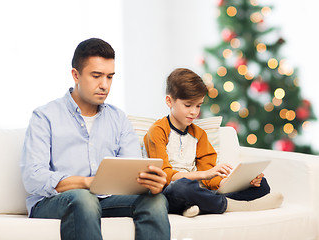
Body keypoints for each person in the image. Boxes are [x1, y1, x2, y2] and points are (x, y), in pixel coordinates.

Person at [20, 38, 170, 240]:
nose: (104, 85)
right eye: (96, 76)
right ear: (76, 75)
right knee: (84, 198)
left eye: (110, 77)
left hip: (104, 200)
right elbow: (33, 177)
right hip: (53, 202)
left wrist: (151, 182)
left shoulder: (119, 119)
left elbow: (132, 171)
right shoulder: (44, 116)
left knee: (156, 200)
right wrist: (86, 182)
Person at [144, 68, 283, 217]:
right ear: (169, 101)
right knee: (182, 187)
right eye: (188, 105)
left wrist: (238, 182)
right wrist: (204, 174)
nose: (194, 112)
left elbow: (211, 178)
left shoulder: (199, 134)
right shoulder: (157, 131)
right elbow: (165, 176)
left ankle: (200, 206)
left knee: (262, 185)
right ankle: (230, 205)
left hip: (199, 192)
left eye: (198, 105)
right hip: (171, 192)